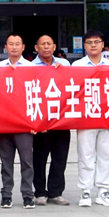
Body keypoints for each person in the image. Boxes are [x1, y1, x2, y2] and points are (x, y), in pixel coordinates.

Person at [73, 29, 109, 207]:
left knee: (106, 155)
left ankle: (103, 191)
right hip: (85, 117)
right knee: (85, 155)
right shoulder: (76, 66)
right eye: (89, 42)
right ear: (84, 45)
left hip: (108, 117)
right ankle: (85, 191)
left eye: (97, 42)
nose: (93, 45)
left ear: (103, 45)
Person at [0, 33, 36, 209]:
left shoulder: (31, 68)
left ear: (23, 47)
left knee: (27, 161)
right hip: (4, 124)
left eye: (17, 44)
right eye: (10, 44)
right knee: (6, 163)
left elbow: (37, 95)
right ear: (5, 47)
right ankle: (6, 195)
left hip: (24, 124)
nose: (14, 47)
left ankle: (28, 195)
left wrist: (35, 123)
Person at [32, 33, 70, 206]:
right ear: (36, 48)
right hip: (41, 121)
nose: (46, 47)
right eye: (43, 44)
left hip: (61, 119)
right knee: (39, 158)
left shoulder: (65, 65)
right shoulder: (30, 67)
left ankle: (56, 192)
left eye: (49, 44)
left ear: (54, 47)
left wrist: (62, 72)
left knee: (60, 158)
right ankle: (40, 192)